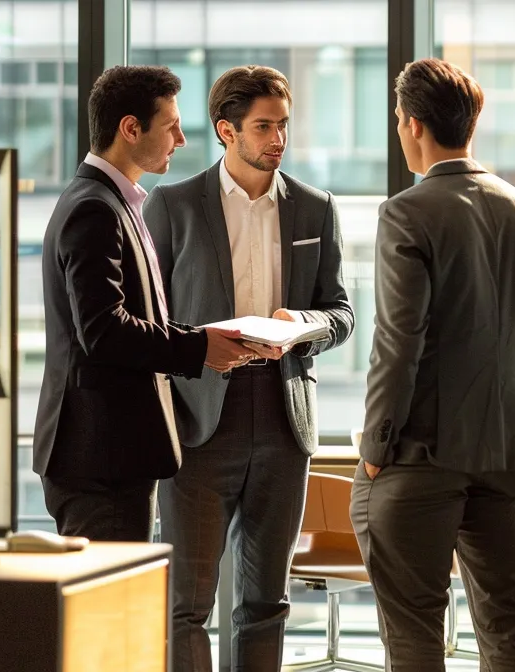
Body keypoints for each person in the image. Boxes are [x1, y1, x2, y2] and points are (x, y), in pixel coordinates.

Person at [352, 58, 515, 670]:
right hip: (506, 454)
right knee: (509, 614)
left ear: (414, 124)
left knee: (414, 625)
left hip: (420, 455)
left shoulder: (408, 212)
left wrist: (375, 446)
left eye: (399, 121)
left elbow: (400, 340)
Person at [145, 64, 354, 672]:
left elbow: (341, 313)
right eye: (263, 127)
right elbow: (145, 321)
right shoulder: (174, 206)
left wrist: (301, 328)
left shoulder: (316, 210)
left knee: (266, 602)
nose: (277, 140)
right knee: (186, 604)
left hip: (285, 420)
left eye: (283, 125)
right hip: (199, 419)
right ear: (226, 131)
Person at [34, 65, 257, 542]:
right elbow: (104, 330)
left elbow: (133, 319)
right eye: (171, 125)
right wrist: (198, 347)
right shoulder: (94, 208)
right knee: (111, 613)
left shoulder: (111, 202)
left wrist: (201, 341)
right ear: (130, 129)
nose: (180, 138)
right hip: (101, 459)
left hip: (111, 455)